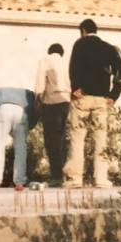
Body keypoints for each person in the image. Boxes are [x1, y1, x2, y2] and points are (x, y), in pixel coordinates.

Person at [65, 18, 121, 189]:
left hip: (82, 98)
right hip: (102, 99)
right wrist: (114, 95)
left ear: (83, 31)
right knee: (101, 139)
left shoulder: (80, 44)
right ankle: (101, 178)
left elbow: (73, 67)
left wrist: (75, 87)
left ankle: (75, 179)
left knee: (78, 137)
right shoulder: (108, 48)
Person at [0, 86, 37, 190]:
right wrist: (30, 125)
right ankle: (19, 181)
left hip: (3, 109)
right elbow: (35, 110)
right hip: (21, 111)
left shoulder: (0, 90)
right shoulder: (29, 93)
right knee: (20, 148)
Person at [34, 43, 71, 187]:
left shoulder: (45, 60)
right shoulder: (66, 62)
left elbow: (40, 85)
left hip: (51, 103)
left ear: (50, 52)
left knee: (51, 140)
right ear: (61, 53)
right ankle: (65, 174)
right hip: (66, 102)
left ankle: (56, 176)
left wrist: (38, 101)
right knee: (63, 139)